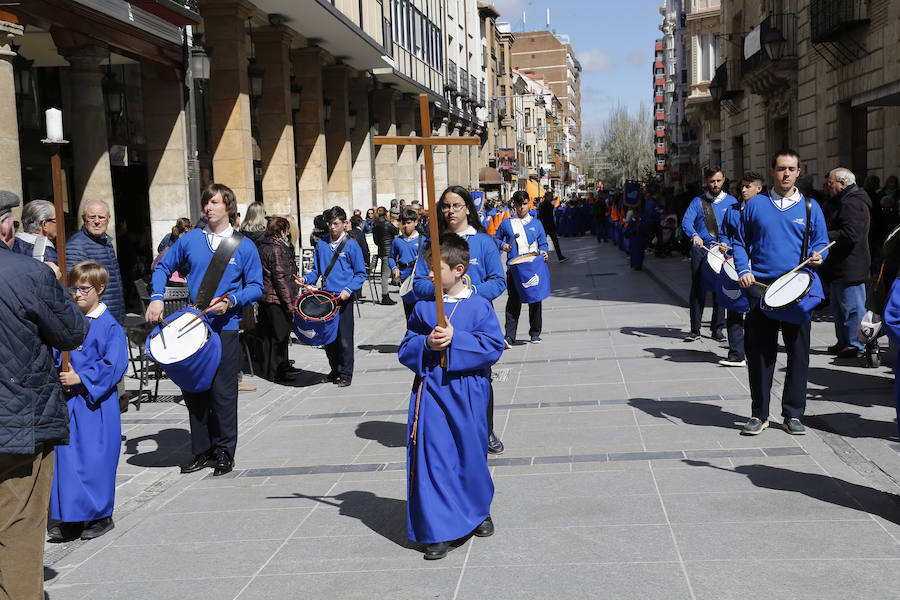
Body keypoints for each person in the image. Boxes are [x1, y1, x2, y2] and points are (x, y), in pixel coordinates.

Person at [0, 190, 88, 599]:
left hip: (14, 416)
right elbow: (73, 331)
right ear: (5, 227)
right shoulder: (24, 273)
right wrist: (51, 283)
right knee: (18, 524)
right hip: (16, 421)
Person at [399, 233, 504, 560]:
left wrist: (456, 340)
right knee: (434, 459)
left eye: (436, 268)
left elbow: (493, 348)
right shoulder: (423, 308)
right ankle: (437, 530)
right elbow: (405, 348)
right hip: (431, 392)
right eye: (428, 267)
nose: (429, 274)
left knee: (470, 455)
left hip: (469, 393)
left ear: (459, 269)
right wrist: (427, 345)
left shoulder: (479, 307)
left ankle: (477, 511)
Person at [146, 183, 263, 476]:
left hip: (225, 327)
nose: (208, 208)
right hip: (194, 325)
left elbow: (256, 287)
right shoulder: (189, 241)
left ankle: (224, 451)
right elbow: (161, 267)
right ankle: (201, 450)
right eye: (206, 203)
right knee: (194, 390)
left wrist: (232, 301)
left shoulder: (244, 246)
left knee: (223, 393)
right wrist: (157, 297)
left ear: (229, 207)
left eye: (214, 203)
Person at [733, 149, 829, 436]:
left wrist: (818, 256)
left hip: (798, 291)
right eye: (781, 169)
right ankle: (759, 413)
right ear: (772, 171)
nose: (786, 173)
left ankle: (793, 414)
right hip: (762, 291)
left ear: (799, 172)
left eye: (791, 169)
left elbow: (822, 242)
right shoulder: (754, 206)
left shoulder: (811, 207)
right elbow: (739, 242)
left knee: (798, 355)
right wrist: (742, 269)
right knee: (761, 354)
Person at [413, 185, 506, 454]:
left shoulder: (484, 242)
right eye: (445, 206)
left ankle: (485, 430)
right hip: (441, 318)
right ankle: (444, 428)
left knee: (480, 376)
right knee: (440, 374)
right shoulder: (433, 242)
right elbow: (419, 283)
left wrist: (469, 293)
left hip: (473, 319)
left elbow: (498, 281)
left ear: (468, 207)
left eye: (455, 205)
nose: (450, 211)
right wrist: (444, 291)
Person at [48, 261, 128, 542]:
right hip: (69, 403)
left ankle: (100, 515)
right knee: (68, 459)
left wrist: (81, 378)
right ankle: (71, 516)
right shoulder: (69, 321)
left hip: (96, 404)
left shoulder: (110, 326)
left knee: (95, 460)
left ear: (100, 288)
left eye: (84, 289)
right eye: (74, 288)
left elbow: (114, 364)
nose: (77, 294)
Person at [304, 205, 367, 387]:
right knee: (328, 338)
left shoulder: (352, 245)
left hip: (343, 298)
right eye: (330, 224)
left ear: (344, 223)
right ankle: (335, 370)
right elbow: (315, 271)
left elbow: (360, 274)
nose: (332, 227)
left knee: (344, 338)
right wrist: (304, 278)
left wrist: (349, 289)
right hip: (326, 298)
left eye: (336, 224)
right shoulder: (322, 244)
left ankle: (346, 373)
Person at [681, 167, 737, 342]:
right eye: (712, 181)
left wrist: (728, 243)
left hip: (722, 250)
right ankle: (695, 329)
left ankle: (718, 328)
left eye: (718, 181)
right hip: (701, 250)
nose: (715, 184)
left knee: (720, 289)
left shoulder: (732, 202)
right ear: (706, 182)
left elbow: (737, 227)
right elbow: (686, 222)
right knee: (698, 288)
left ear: (723, 180)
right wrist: (694, 235)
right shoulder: (697, 202)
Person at [716, 171, 763, 367]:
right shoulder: (732, 210)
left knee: (755, 312)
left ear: (758, 188)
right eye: (741, 187)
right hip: (734, 267)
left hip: (758, 268)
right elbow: (724, 233)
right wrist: (724, 243)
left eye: (748, 186)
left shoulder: (765, 210)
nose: (743, 190)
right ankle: (736, 353)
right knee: (734, 309)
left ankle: (756, 352)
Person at [822, 168, 871, 359]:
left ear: (842, 183)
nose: (828, 187)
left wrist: (824, 236)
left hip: (851, 265)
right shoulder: (844, 201)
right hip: (840, 265)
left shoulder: (853, 203)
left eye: (830, 183)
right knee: (839, 307)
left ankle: (855, 344)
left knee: (852, 308)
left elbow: (851, 235)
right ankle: (843, 341)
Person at [495, 190, 549, 345]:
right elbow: (496, 238)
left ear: (529, 203)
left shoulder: (537, 223)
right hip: (515, 269)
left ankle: (535, 333)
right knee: (513, 302)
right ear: (514, 205)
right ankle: (510, 336)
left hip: (533, 268)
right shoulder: (507, 223)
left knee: (535, 300)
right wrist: (502, 245)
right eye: (519, 204)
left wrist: (544, 252)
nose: (522, 208)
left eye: (525, 204)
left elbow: (544, 243)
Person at [67, 199, 126, 325]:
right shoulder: (76, 245)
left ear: (109, 218)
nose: (97, 221)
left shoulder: (106, 242)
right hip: (94, 319)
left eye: (101, 217)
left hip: (111, 315)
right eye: (92, 217)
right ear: (84, 218)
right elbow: (75, 288)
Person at [257, 217, 299, 382]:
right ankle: (277, 372)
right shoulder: (277, 248)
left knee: (269, 336)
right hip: (276, 299)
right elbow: (280, 278)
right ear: (282, 231)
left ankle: (273, 369)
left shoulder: (264, 245)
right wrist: (289, 304)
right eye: (286, 230)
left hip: (266, 297)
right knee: (280, 336)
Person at [390, 208, 422, 320]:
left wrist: (422, 258)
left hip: (419, 278)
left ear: (416, 222)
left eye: (409, 223)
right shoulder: (397, 241)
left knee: (419, 309)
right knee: (408, 311)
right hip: (404, 277)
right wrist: (394, 268)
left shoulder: (422, 240)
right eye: (403, 223)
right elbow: (390, 257)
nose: (405, 226)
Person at [13, 199, 59, 265]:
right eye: (56, 220)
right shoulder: (48, 254)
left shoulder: (11, 244)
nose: (59, 224)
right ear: (44, 224)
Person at [373, 206, 399, 305]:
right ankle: (385, 296)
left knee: (384, 273)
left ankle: (386, 295)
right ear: (385, 213)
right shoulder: (387, 224)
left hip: (381, 250)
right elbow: (396, 231)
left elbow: (376, 241)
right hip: (388, 252)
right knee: (385, 274)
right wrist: (395, 225)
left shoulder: (375, 225)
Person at [538, 191, 567, 262]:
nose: (552, 198)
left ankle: (544, 258)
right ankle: (558, 257)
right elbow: (547, 217)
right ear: (547, 197)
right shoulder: (548, 205)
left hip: (545, 226)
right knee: (551, 242)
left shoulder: (542, 205)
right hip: (548, 227)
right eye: (551, 196)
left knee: (544, 243)